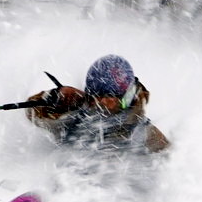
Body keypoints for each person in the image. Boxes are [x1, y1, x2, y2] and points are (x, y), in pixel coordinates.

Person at [25, 55, 171, 155]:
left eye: (118, 97)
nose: (107, 103)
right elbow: (33, 114)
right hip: (70, 183)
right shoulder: (76, 117)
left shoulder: (144, 133)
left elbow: (169, 162)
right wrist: (54, 98)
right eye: (102, 96)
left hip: (117, 192)